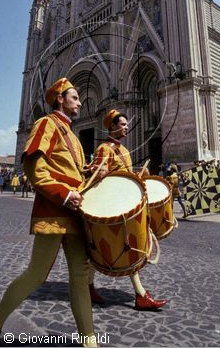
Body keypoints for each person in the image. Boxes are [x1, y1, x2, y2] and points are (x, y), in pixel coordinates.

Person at [0, 78, 97, 347]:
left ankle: (90, 341)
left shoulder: (73, 137)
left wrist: (92, 172)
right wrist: (65, 195)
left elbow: (73, 172)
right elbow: (35, 168)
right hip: (54, 213)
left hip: (76, 215)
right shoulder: (46, 124)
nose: (80, 102)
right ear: (60, 99)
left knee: (80, 275)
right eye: (75, 98)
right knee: (36, 274)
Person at [89, 109, 168, 311]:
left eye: (126, 124)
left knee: (108, 250)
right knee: (126, 248)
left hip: (124, 204)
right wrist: (100, 174)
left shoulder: (124, 150)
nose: (126, 128)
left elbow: (126, 178)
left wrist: (140, 177)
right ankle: (140, 295)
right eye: (122, 124)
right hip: (110, 207)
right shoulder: (104, 149)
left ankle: (89, 286)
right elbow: (94, 178)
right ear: (112, 127)